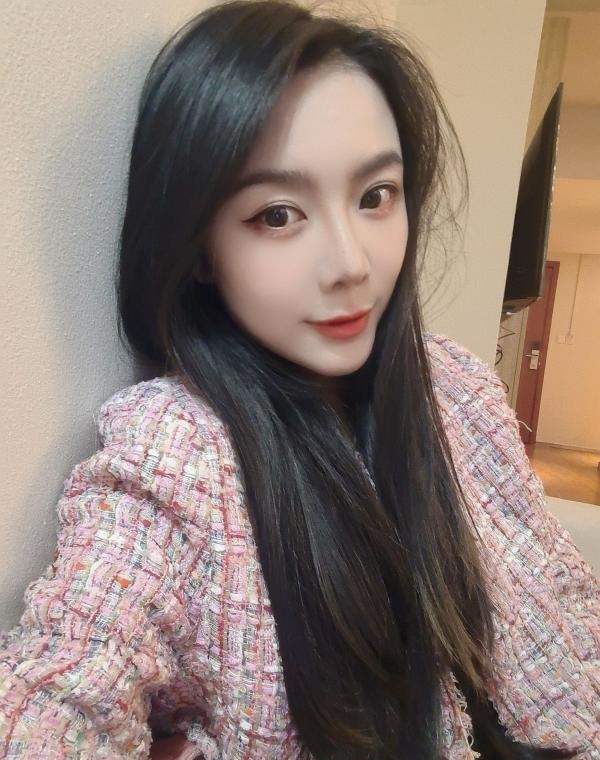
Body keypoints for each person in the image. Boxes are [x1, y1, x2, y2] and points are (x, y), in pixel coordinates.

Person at [0, 1, 598, 758]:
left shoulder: (455, 386)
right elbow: (58, 691)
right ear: (198, 248)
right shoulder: (175, 451)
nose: (351, 263)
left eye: (375, 197)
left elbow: (566, 612)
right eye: (278, 214)